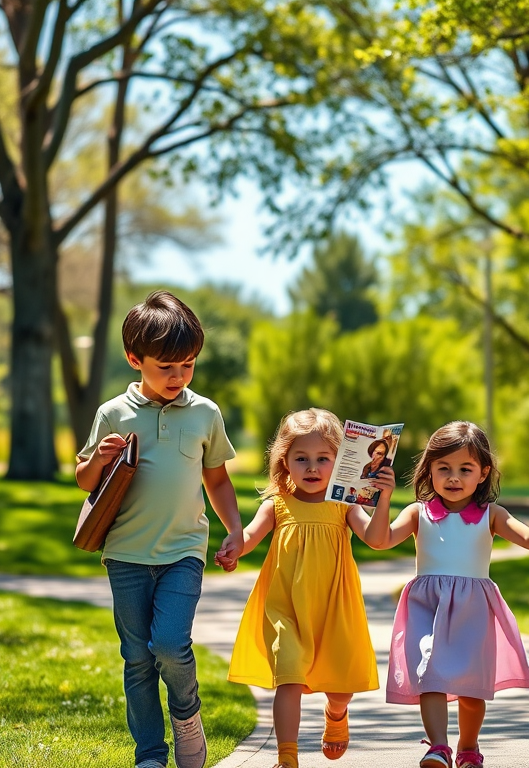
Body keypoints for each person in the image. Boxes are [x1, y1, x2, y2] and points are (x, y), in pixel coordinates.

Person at [75, 290, 244, 768]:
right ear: (135, 359)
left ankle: (187, 716)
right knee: (137, 658)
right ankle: (150, 754)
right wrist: (100, 458)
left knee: (169, 645)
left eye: (188, 365)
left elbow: (217, 477)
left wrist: (234, 530)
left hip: (183, 552)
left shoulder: (205, 413)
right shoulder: (113, 413)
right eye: (167, 366)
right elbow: (84, 479)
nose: (178, 376)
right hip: (125, 554)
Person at [364, 421, 529, 768]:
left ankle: (468, 747)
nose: (453, 477)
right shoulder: (418, 513)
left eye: (465, 469)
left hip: (472, 612)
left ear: (483, 472)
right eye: (443, 468)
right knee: (430, 674)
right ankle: (438, 747)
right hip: (427, 607)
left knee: (471, 690)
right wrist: (383, 498)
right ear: (429, 470)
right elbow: (379, 540)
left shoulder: (491, 515)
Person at [221, 408, 393, 768]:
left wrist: (383, 499)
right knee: (288, 680)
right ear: (285, 461)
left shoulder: (344, 505)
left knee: (341, 689)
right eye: (302, 458)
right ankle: (287, 757)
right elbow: (250, 536)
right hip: (286, 610)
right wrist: (235, 547)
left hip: (334, 608)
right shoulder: (277, 505)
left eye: (322, 459)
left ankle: (336, 713)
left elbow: (377, 541)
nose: (312, 468)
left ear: (341, 460)